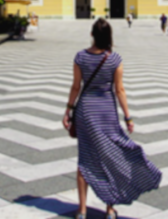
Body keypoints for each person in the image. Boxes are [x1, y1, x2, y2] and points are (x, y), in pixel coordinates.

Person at [63, 19, 162, 219]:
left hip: (85, 113)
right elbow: (120, 90)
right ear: (109, 37)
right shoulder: (114, 59)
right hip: (106, 113)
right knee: (110, 158)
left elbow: (76, 87)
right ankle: (109, 210)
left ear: (92, 34)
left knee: (85, 159)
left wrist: (68, 111)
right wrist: (128, 117)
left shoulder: (80, 57)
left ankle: (82, 211)